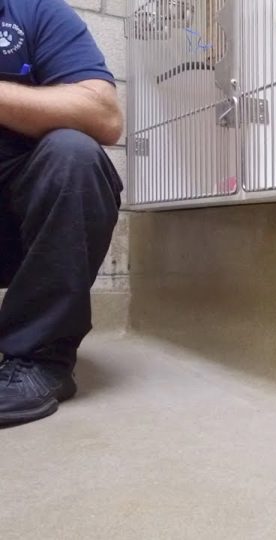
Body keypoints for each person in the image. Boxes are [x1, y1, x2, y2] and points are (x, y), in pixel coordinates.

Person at [0, 0, 123, 426]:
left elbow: (104, 115)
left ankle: (38, 358)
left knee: (74, 154)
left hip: (22, 223)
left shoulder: (34, 12)